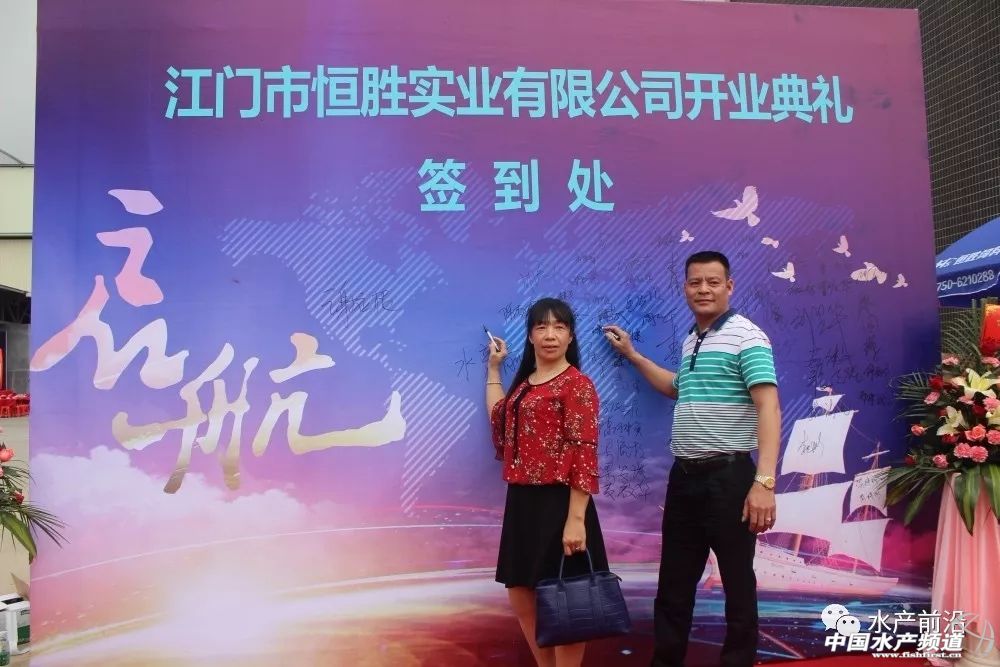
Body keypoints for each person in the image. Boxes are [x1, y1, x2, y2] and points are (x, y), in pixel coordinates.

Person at [603, 251, 781, 667]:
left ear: (729, 286)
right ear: (685, 288)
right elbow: (677, 387)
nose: (703, 289)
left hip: (730, 479)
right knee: (673, 587)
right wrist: (634, 356)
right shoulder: (692, 339)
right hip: (684, 479)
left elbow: (769, 407)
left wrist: (764, 482)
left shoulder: (747, 337)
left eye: (713, 282)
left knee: (738, 586)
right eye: (695, 282)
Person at [486, 297, 609, 667]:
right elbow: (499, 417)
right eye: (542, 327)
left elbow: (584, 452)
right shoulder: (524, 387)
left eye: (559, 327)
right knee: (521, 593)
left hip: (562, 504)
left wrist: (576, 520)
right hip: (522, 504)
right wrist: (494, 369)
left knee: (568, 603)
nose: (550, 335)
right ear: (530, 336)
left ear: (570, 336)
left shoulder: (577, 384)